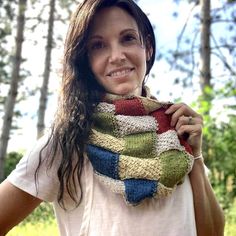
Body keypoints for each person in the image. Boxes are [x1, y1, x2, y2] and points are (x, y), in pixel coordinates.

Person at [0, 0, 224, 235]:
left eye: (127, 38)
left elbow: (212, 232)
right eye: (98, 46)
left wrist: (195, 156)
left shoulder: (173, 130)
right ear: (85, 61)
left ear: (147, 47)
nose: (116, 56)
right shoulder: (68, 141)